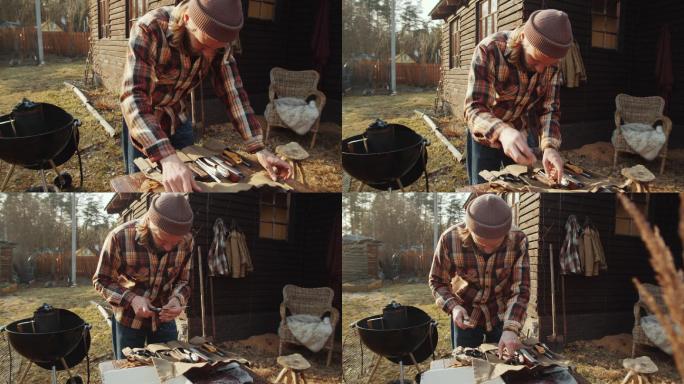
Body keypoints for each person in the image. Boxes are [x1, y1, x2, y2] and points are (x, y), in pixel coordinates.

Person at [120, 0, 292, 192]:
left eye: (216, 49)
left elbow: (232, 92)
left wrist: (258, 147)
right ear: (187, 19)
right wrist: (167, 157)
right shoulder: (149, 28)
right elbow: (134, 96)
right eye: (203, 45)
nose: (209, 55)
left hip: (178, 115)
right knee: (144, 184)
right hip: (144, 119)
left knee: (193, 181)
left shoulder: (218, 43)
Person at [464, 9, 573, 184]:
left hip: (520, 133)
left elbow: (549, 109)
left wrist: (550, 147)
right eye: (535, 61)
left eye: (548, 65)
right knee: (483, 187)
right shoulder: (489, 50)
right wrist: (503, 132)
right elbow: (474, 108)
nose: (540, 70)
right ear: (523, 37)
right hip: (485, 134)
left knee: (519, 184)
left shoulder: (551, 64)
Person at [93, 193, 194, 359]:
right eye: (162, 240)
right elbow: (101, 280)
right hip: (128, 320)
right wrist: (132, 299)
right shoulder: (119, 237)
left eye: (175, 243)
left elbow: (184, 281)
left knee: (170, 370)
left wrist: (177, 299)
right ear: (150, 224)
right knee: (130, 373)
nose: (169, 248)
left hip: (164, 320)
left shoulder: (188, 241)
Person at [429, 194, 530, 358]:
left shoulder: (518, 239)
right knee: (466, 367)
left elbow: (521, 289)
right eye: (482, 244)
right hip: (466, 314)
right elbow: (437, 281)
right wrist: (454, 307)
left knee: (505, 368)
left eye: (495, 245)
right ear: (469, 230)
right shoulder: (449, 239)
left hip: (501, 315)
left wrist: (511, 329)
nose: (488, 251)